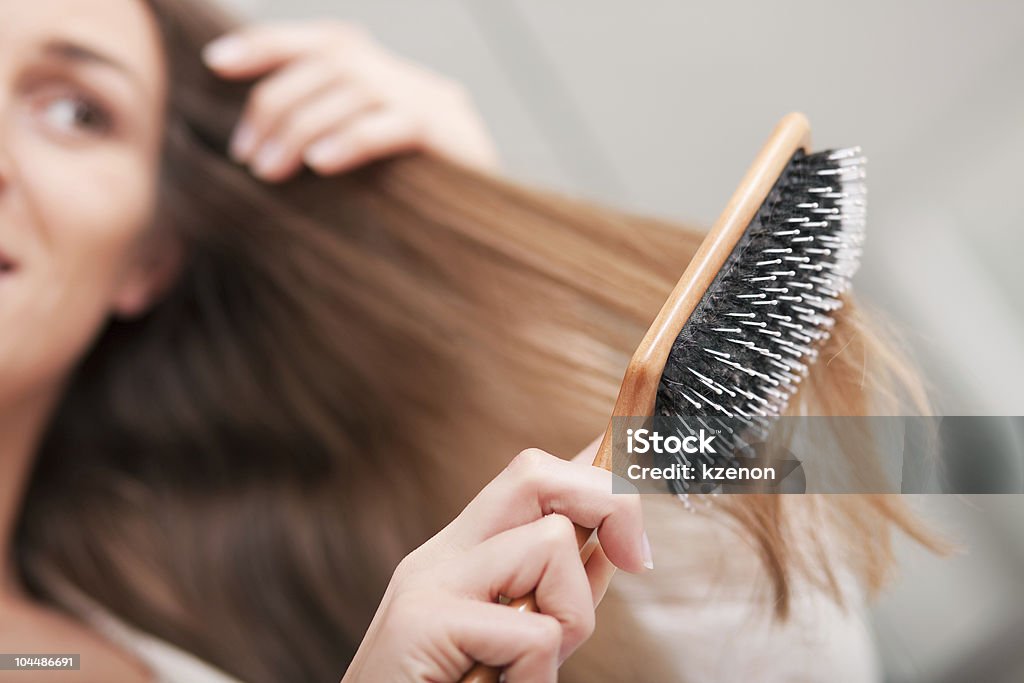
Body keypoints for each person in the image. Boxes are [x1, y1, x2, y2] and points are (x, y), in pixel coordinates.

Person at [0, 0, 938, 681]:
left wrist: (478, 291)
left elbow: (786, 652)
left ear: (148, 258)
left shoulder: (186, 621)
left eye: (76, 110)